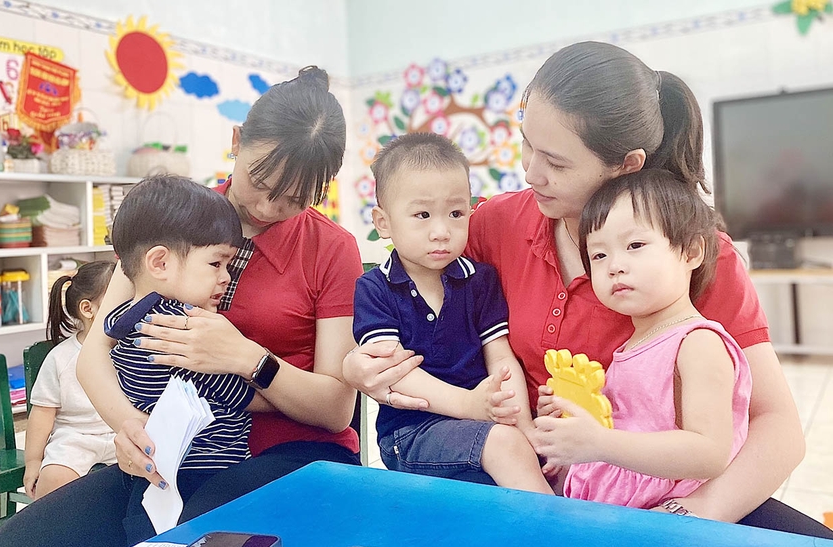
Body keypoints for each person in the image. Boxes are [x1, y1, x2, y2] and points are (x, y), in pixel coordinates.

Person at [343, 41, 832, 538]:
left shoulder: (691, 252)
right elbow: (411, 295)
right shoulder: (494, 224)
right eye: (526, 142)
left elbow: (778, 427)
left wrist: (683, 518)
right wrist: (364, 365)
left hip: (659, 493)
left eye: (555, 161)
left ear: (626, 164)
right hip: (525, 480)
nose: (530, 172)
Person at [0, 66, 362, 547]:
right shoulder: (172, 215)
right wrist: (130, 427)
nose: (269, 208)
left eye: (294, 199)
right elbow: (93, 354)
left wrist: (247, 358)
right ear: (236, 140)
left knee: (187, 539)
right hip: (172, 455)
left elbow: (337, 409)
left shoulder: (332, 248)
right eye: (260, 181)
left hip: (292, 453)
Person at [535, 169, 751, 510]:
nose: (614, 266)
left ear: (692, 252)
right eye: (599, 255)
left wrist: (599, 443)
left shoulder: (698, 343)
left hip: (657, 521)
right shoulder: (632, 345)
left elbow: (709, 453)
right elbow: (625, 429)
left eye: (635, 245)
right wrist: (570, 429)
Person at [355, 133, 551, 494]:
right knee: (505, 447)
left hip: (480, 424)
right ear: (383, 222)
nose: (441, 231)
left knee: (521, 451)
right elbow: (395, 374)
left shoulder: (480, 279)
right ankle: (562, 532)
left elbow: (501, 357)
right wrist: (471, 404)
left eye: (456, 213)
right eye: (422, 215)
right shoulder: (375, 288)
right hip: (410, 432)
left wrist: (524, 425)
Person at [104, 175, 282, 543]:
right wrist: (276, 394)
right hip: (206, 472)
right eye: (216, 263)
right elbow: (242, 395)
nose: (226, 277)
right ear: (160, 263)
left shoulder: (122, 320)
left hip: (155, 472)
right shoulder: (181, 332)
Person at [22, 261, 116, 500]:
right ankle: (52, 530)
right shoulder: (61, 358)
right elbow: (42, 413)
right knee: (53, 479)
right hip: (75, 438)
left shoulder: (132, 350)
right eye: (121, 299)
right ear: (88, 309)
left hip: (122, 432)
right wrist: (33, 461)